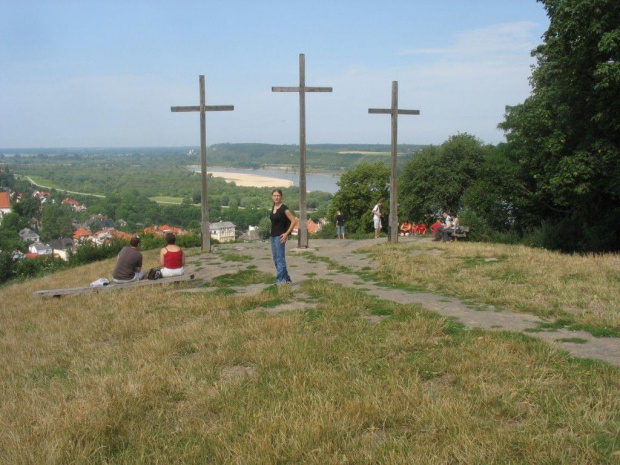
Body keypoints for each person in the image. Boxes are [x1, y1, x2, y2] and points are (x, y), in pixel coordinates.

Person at [269, 189, 297, 285]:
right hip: (273, 236)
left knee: (280, 259)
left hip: (279, 236)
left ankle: (280, 281)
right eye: (274, 195)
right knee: (276, 258)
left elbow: (294, 221)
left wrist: (286, 234)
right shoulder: (273, 207)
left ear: (281, 197)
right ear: (272, 197)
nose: (276, 197)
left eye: (278, 195)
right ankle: (286, 278)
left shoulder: (284, 208)